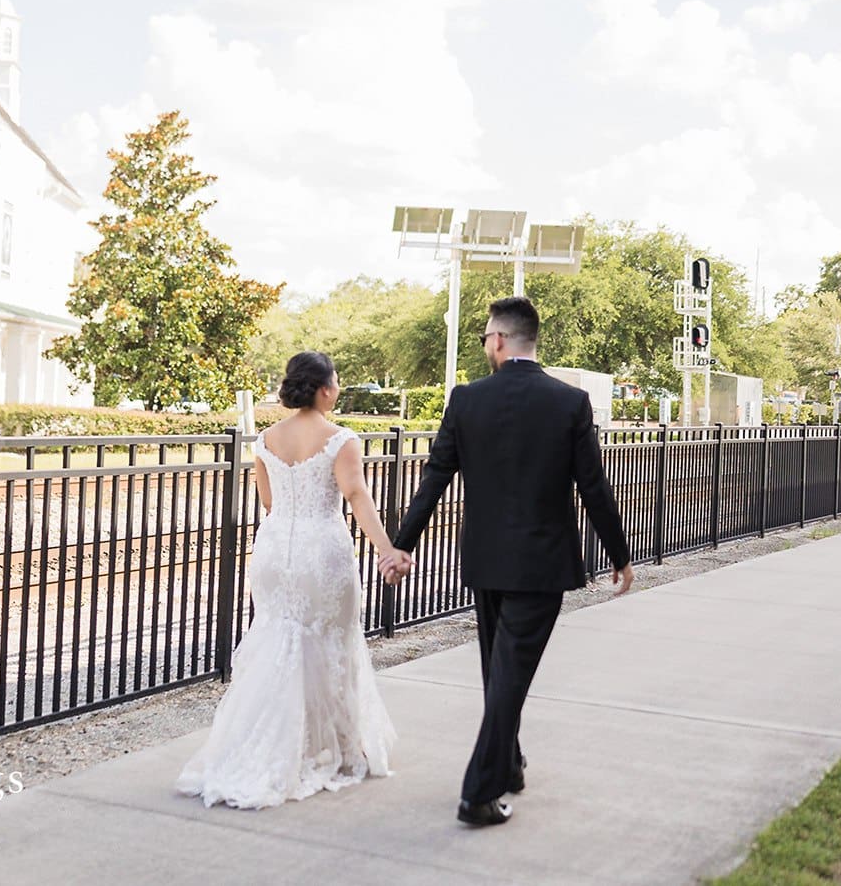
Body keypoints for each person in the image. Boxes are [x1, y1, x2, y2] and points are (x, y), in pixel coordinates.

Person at [385, 296, 634, 827]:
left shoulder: (466, 399)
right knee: (508, 675)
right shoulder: (570, 402)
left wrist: (403, 543)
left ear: (498, 340)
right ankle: (479, 792)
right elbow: (593, 485)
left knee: (499, 672)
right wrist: (619, 554)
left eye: (484, 338)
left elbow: (435, 476)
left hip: (485, 561)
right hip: (542, 564)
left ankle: (510, 762)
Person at [175, 351, 413, 808]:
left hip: (273, 551)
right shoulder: (341, 439)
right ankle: (334, 747)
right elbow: (357, 496)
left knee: (277, 641)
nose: (337, 388)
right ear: (324, 389)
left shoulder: (265, 439)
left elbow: (268, 501)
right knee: (332, 643)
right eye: (336, 381)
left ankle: (266, 747)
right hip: (321, 551)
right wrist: (387, 550)